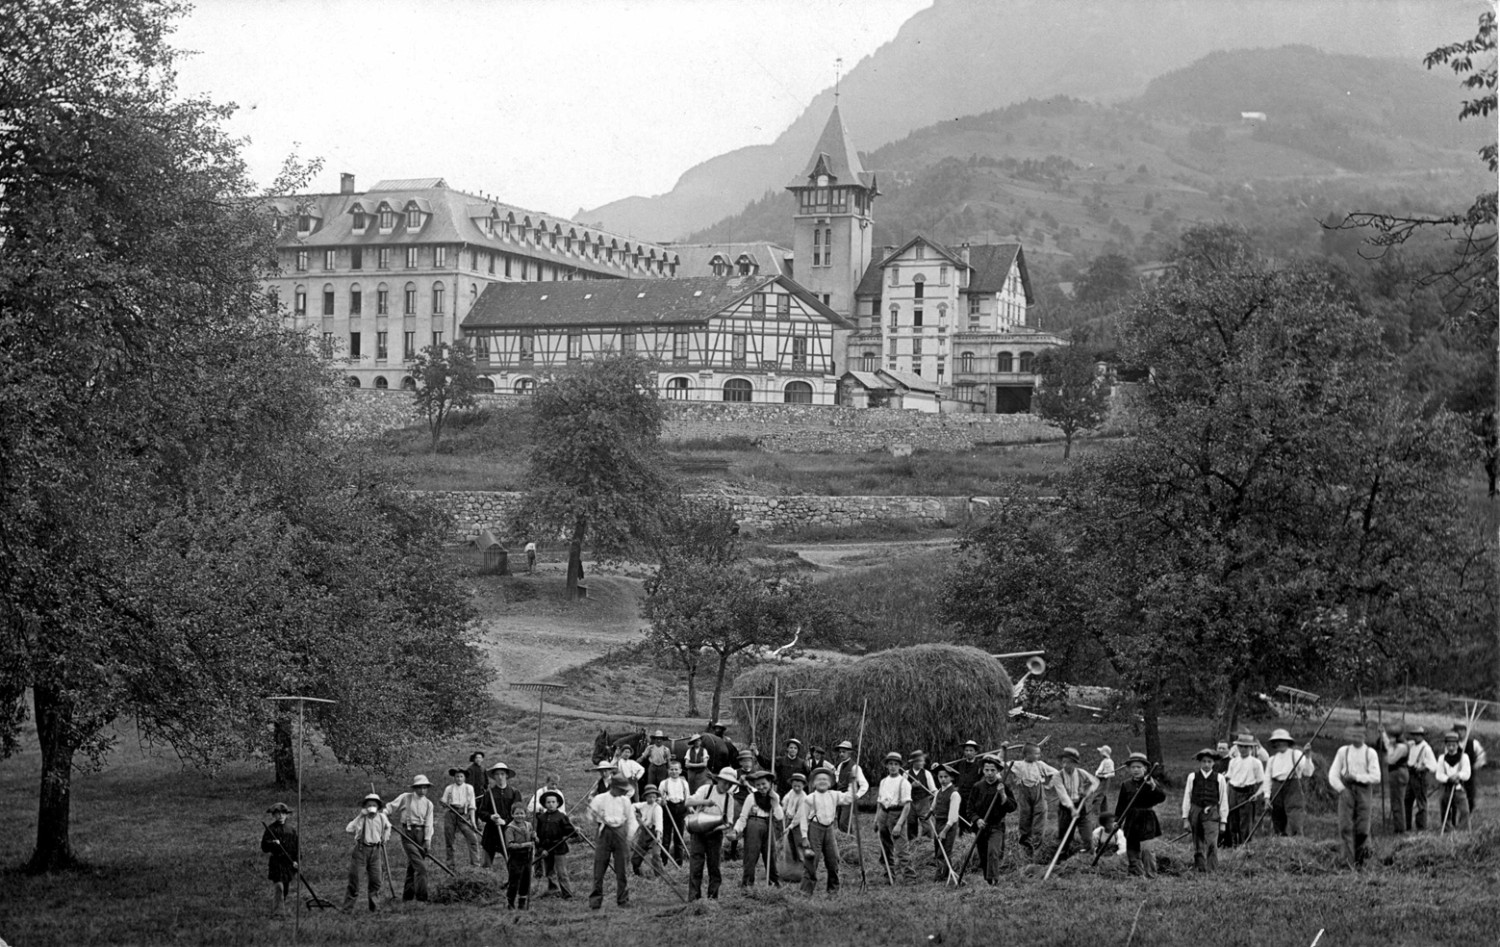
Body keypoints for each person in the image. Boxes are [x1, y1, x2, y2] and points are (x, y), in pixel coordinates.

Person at [684, 766, 739, 901]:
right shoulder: (706, 790)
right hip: (698, 831)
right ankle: (694, 898)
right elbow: (687, 802)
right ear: (718, 780)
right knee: (696, 864)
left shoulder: (729, 799)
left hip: (715, 835)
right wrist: (704, 802)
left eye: (730, 784)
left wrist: (717, 827)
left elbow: (728, 822)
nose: (726, 786)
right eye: (724, 782)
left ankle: (712, 898)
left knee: (714, 866)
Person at [1330, 725, 1381, 868]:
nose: (1356, 737)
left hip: (1364, 790)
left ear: (1364, 736)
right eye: (1353, 734)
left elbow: (1376, 777)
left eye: (1359, 735)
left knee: (1362, 828)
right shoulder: (1343, 751)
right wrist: (1341, 789)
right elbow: (1333, 774)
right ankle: (1347, 863)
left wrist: (1357, 777)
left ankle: (1361, 861)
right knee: (1346, 826)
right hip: (1346, 790)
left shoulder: (1370, 753)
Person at [964, 755, 1017, 884]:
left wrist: (1003, 794)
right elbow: (969, 809)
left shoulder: (1003, 786)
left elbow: (1012, 807)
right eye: (987, 770)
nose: (989, 773)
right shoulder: (977, 787)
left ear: (998, 771)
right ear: (983, 770)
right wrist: (977, 820)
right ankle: (988, 880)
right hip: (981, 827)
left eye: (993, 770)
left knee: (993, 852)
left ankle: (994, 880)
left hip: (996, 826)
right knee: (983, 854)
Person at [587, 773, 636, 910]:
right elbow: (590, 815)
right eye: (621, 789)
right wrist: (598, 817)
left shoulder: (625, 801)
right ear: (613, 787)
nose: (623, 791)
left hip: (620, 834)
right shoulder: (599, 799)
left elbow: (632, 820)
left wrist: (629, 837)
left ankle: (623, 900)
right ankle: (595, 902)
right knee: (599, 869)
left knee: (622, 870)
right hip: (604, 833)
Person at [384, 774, 436, 903]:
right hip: (408, 834)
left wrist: (427, 840)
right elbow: (390, 808)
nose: (422, 790)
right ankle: (422, 898)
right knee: (421, 868)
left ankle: (407, 897)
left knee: (412, 866)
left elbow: (429, 823)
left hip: (422, 835)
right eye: (419, 787)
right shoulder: (405, 798)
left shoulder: (429, 804)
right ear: (415, 788)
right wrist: (383, 815)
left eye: (425, 788)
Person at [799, 766, 849, 896]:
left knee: (834, 859)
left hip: (829, 829)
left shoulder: (834, 795)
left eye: (825, 779)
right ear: (814, 783)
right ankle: (806, 891)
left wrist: (854, 786)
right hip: (815, 829)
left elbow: (849, 798)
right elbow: (803, 819)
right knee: (812, 860)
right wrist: (804, 836)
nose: (822, 781)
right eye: (819, 779)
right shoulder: (809, 798)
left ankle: (833, 890)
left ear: (830, 783)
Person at [1115, 752, 1166, 878]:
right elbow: (1121, 805)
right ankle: (1136, 875)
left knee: (1147, 850)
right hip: (1132, 819)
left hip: (1147, 819)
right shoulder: (1126, 784)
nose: (1136, 770)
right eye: (1133, 767)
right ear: (1129, 769)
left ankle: (1151, 875)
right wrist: (1117, 821)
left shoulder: (1150, 783)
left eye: (1139, 767)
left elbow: (1161, 797)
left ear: (1145, 768)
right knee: (1132, 850)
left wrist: (1153, 787)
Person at [730, 770, 784, 887]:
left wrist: (775, 802)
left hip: (769, 825)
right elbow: (743, 817)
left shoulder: (774, 796)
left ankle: (774, 882)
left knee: (771, 854)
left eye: (764, 784)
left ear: (770, 783)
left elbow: (779, 816)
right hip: (753, 824)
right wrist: (736, 830)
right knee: (751, 855)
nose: (761, 787)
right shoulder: (751, 797)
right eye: (758, 785)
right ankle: (747, 884)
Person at [1180, 748, 1228, 873]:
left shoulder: (1219, 778)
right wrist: (1185, 819)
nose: (1206, 764)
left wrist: (1223, 821)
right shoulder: (1192, 777)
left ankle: (1212, 869)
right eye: (1204, 761)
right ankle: (1200, 868)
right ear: (1200, 762)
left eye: (1209, 762)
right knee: (1197, 841)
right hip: (1195, 811)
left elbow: (1223, 800)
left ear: (1214, 763)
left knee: (1212, 842)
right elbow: (1187, 797)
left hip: (1212, 812)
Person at [343, 793, 391, 912]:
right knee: (355, 881)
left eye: (374, 805)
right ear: (365, 807)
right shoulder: (361, 819)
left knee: (376, 881)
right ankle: (347, 909)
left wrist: (385, 837)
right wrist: (360, 815)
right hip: (361, 850)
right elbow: (348, 829)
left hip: (376, 851)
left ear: (378, 806)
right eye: (369, 805)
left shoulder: (381, 817)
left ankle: (374, 908)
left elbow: (388, 827)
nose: (372, 807)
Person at [1009, 741, 1058, 856]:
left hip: (1038, 794)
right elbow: (1000, 763)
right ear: (1026, 754)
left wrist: (1050, 784)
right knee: (1024, 819)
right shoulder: (1018, 765)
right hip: (1024, 795)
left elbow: (1055, 772)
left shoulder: (1040, 764)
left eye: (1038, 754)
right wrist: (1003, 751)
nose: (1038, 756)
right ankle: (1025, 848)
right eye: (1036, 754)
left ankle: (1037, 848)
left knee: (1040, 818)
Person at [1264, 728, 1315, 837]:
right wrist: (1267, 797)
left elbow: (1308, 772)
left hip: (1292, 788)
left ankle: (1297, 843)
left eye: (1282, 740)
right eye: (1277, 741)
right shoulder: (1272, 759)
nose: (1280, 743)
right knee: (1277, 820)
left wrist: (1308, 757)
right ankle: (1280, 844)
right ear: (1274, 744)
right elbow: (1267, 779)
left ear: (1288, 742)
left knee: (1295, 819)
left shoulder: (1295, 754)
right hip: (1276, 789)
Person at [1051, 747, 1099, 859]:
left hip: (1081, 806)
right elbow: (1063, 795)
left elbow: (1095, 781)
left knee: (1088, 836)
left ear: (1074, 763)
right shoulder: (1058, 776)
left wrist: (1088, 791)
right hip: (1065, 809)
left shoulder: (1081, 773)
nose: (1064, 765)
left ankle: (1090, 857)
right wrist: (1072, 809)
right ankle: (1062, 859)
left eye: (1068, 762)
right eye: (1063, 762)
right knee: (1065, 836)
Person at [875, 752, 914, 881]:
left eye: (896, 764)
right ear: (886, 765)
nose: (893, 767)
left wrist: (899, 824)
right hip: (883, 814)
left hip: (897, 814)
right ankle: (889, 875)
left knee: (901, 848)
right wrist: (876, 820)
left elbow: (907, 806)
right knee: (885, 848)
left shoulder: (904, 782)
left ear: (899, 766)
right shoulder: (883, 781)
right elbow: (880, 802)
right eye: (890, 764)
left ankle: (909, 877)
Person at [478, 762, 522, 871]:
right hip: (491, 832)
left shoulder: (514, 793)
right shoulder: (489, 793)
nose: (500, 777)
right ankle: (485, 883)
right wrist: (491, 817)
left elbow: (519, 814)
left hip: (509, 832)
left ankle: (512, 884)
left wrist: (505, 821)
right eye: (497, 774)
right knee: (485, 865)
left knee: (513, 863)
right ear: (494, 777)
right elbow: (481, 812)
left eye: (502, 774)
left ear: (507, 775)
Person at [1225, 733, 1266, 846]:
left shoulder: (1256, 763)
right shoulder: (1233, 762)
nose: (1243, 749)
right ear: (1237, 747)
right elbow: (1229, 780)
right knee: (1232, 822)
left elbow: (1263, 783)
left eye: (1246, 747)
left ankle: (1245, 848)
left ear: (1251, 748)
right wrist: (1226, 796)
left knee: (1245, 824)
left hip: (1247, 794)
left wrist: (1257, 795)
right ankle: (1233, 847)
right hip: (1233, 793)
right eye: (1241, 746)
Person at [534, 789, 576, 899]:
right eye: (548, 802)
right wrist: (541, 849)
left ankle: (567, 894)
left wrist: (575, 831)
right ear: (544, 804)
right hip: (546, 849)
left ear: (557, 803)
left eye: (553, 802)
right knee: (549, 872)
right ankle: (554, 891)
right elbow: (538, 836)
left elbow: (570, 832)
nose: (551, 804)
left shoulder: (561, 817)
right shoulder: (541, 818)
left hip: (559, 847)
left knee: (561, 872)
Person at [260, 802, 299, 913]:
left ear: (286, 815)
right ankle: (278, 912)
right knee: (279, 886)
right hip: (276, 862)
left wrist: (296, 860)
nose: (281, 816)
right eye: (278, 814)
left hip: (288, 863)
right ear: (273, 815)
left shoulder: (291, 830)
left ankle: (281, 906)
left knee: (285, 888)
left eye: (283, 813)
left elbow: (296, 847)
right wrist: (273, 843)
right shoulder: (271, 830)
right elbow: (264, 847)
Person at [440, 767, 480, 869]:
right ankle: (450, 865)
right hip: (451, 814)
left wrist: (473, 821)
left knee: (473, 839)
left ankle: (475, 865)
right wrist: (443, 802)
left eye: (461, 776)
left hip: (464, 815)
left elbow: (472, 806)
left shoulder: (469, 788)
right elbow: (444, 803)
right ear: (454, 777)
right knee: (450, 840)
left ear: (464, 778)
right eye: (457, 776)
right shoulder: (449, 789)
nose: (459, 779)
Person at [931, 764, 963, 882]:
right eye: (940, 777)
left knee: (944, 850)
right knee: (938, 847)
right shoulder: (939, 791)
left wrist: (944, 831)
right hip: (938, 823)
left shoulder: (954, 794)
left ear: (952, 778)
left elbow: (953, 817)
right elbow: (934, 805)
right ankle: (946, 871)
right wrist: (929, 813)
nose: (943, 780)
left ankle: (940, 875)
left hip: (949, 825)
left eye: (946, 777)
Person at [1435, 731, 1472, 831]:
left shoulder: (1464, 757)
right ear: (1445, 745)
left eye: (1454, 745)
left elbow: (1467, 774)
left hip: (1459, 788)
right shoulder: (1442, 758)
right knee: (1445, 810)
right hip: (1446, 788)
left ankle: (1464, 830)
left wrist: (1458, 775)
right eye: (1449, 745)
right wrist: (1448, 779)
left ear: (1457, 745)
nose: (1451, 748)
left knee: (1465, 811)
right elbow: (1439, 774)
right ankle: (1447, 829)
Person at [1405, 725, 1437, 832]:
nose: (1415, 737)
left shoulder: (1426, 748)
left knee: (1421, 803)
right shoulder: (1412, 745)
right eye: (1414, 735)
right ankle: (1407, 826)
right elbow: (1401, 742)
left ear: (1422, 736)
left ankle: (1421, 828)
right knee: (1407, 800)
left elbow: (1433, 765)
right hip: (1411, 776)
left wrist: (1423, 767)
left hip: (1420, 778)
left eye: (1418, 735)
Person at [659, 760, 692, 863]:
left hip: (680, 809)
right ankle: (664, 861)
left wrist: (689, 807)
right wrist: (661, 802)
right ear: (668, 771)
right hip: (668, 809)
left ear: (680, 770)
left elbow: (688, 797)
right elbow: (659, 797)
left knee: (679, 837)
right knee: (666, 837)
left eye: (676, 769)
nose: (674, 771)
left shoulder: (684, 783)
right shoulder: (664, 783)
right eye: (671, 769)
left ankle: (679, 861)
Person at [833, 740, 869, 832]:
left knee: (843, 822)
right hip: (839, 796)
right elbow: (838, 780)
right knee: (839, 822)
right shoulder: (840, 765)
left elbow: (864, 785)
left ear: (850, 752)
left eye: (844, 752)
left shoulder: (855, 767)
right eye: (840, 752)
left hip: (848, 797)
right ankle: (844, 841)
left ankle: (851, 841)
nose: (841, 754)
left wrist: (857, 795)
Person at [504, 802, 535, 909]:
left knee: (526, 879)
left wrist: (534, 837)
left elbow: (534, 840)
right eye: (516, 813)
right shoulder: (510, 828)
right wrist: (525, 845)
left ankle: (522, 903)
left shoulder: (529, 825)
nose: (519, 816)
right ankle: (510, 903)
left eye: (522, 813)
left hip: (527, 857)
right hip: (516, 857)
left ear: (525, 814)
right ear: (512, 814)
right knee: (515, 880)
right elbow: (510, 845)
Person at [1379, 725, 1410, 833]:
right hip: (1395, 773)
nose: (1390, 739)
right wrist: (1383, 734)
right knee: (1395, 800)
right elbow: (1388, 745)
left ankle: (1400, 828)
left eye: (1392, 737)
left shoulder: (1402, 747)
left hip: (1399, 773)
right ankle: (1398, 826)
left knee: (1398, 801)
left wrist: (1385, 757)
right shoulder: (1396, 745)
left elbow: (1391, 759)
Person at [1453, 719, 1487, 814]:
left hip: (1469, 775)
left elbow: (1481, 756)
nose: (1459, 733)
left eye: (1461, 730)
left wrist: (1476, 765)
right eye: (1457, 730)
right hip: (1455, 774)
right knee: (1453, 798)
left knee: (1470, 798)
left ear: (1465, 731)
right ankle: (1452, 822)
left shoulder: (1473, 743)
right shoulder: (1452, 743)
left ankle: (1465, 821)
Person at [631, 784, 665, 875]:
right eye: (649, 797)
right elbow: (632, 806)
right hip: (644, 832)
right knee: (636, 855)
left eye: (654, 797)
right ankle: (637, 873)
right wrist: (635, 814)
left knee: (655, 855)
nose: (652, 799)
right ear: (645, 797)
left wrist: (658, 836)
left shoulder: (657, 808)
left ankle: (659, 875)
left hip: (654, 832)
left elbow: (659, 823)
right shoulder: (643, 805)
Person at [1094, 745, 1116, 819]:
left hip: (1105, 780)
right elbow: (1100, 769)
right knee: (1103, 795)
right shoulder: (1104, 761)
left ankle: (1095, 811)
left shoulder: (1109, 762)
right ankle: (1104, 811)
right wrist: (1097, 773)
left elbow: (1112, 773)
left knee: (1100, 795)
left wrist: (1105, 776)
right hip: (1100, 779)